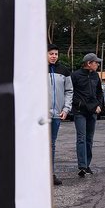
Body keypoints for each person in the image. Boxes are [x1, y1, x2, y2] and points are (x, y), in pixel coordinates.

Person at [72, 52, 104, 178]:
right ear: (89, 63)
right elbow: (71, 93)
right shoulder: (75, 75)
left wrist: (99, 105)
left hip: (93, 111)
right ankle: (82, 166)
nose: (97, 65)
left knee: (89, 139)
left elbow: (99, 92)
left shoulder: (96, 76)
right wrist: (79, 105)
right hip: (80, 111)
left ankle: (87, 164)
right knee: (81, 138)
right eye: (96, 62)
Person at [47, 44, 73, 185]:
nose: (54, 56)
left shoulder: (64, 70)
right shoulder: (37, 69)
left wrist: (66, 109)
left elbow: (69, 91)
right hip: (41, 116)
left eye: (56, 54)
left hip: (57, 115)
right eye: (51, 53)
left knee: (52, 144)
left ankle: (51, 174)